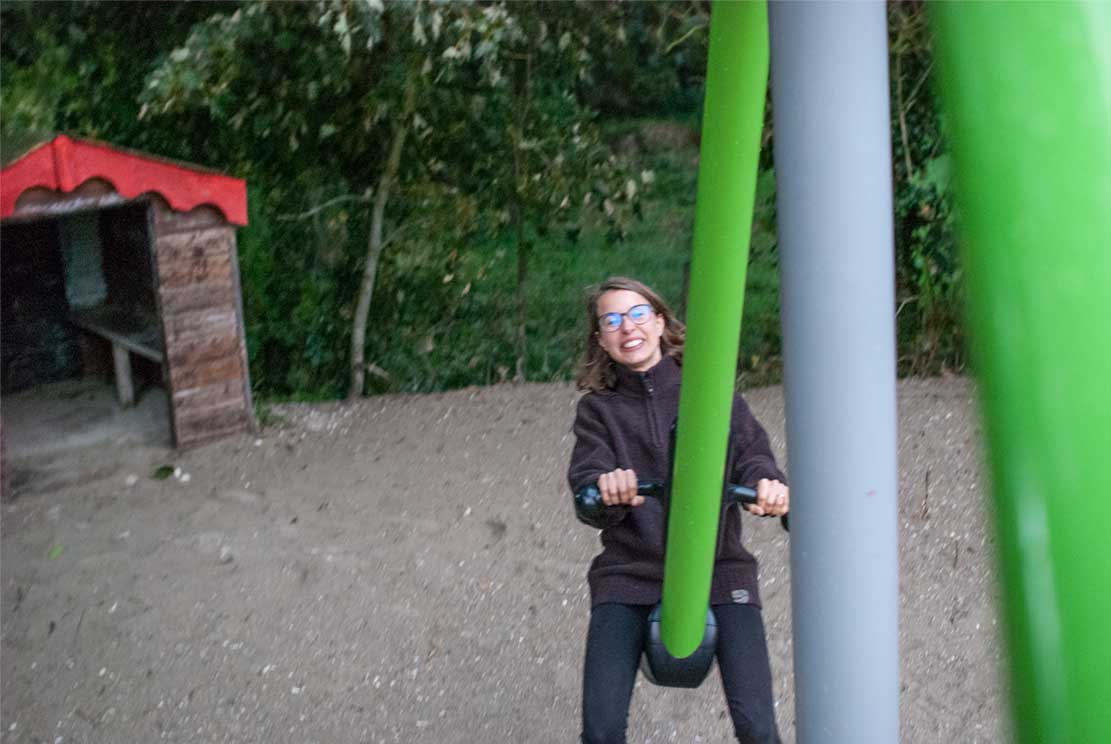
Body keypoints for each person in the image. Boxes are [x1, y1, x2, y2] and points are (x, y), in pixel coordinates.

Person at [567, 276, 789, 744]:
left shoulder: (709, 393)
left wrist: (766, 486)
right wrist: (606, 488)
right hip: (630, 575)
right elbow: (587, 486)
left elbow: (752, 456)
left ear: (660, 322)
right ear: (601, 341)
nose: (627, 328)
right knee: (601, 729)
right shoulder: (598, 411)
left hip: (719, 571)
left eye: (637, 314)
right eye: (612, 320)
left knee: (757, 727)